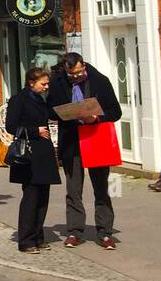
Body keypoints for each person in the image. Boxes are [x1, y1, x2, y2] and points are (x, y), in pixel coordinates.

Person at [48, 52, 122, 250]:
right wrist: (63, 113)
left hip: (96, 139)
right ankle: (74, 231)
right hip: (72, 142)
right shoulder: (58, 82)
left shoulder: (100, 81)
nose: (76, 77)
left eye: (79, 72)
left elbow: (115, 111)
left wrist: (97, 117)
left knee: (101, 188)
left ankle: (105, 232)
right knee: (73, 190)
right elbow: (50, 109)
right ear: (65, 70)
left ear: (84, 66)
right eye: (72, 74)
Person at [6, 66, 60, 254]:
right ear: (31, 83)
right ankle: (26, 240)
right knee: (31, 197)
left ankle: (39, 236)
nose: (46, 87)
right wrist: (35, 130)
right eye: (43, 84)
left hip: (43, 153)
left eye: (47, 84)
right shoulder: (19, 100)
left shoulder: (42, 99)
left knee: (43, 197)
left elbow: (51, 115)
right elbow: (11, 126)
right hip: (28, 154)